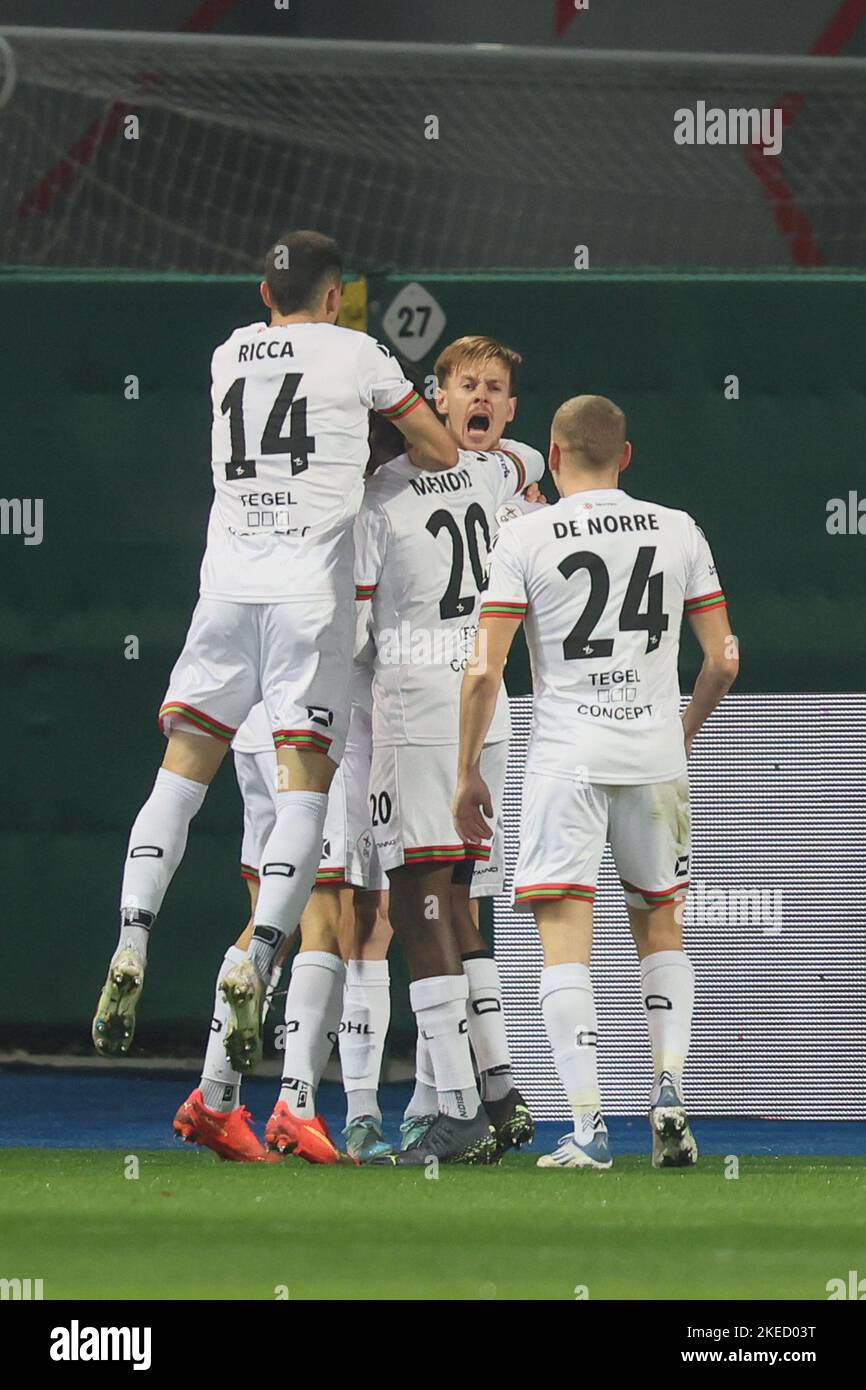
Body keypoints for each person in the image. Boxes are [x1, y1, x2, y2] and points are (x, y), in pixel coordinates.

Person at [92, 229, 457, 1067]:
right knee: (304, 795)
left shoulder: (228, 355)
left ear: (265, 294)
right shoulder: (358, 352)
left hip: (224, 590)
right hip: (308, 596)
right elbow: (436, 447)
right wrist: (371, 450)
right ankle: (258, 957)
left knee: (178, 779)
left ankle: (132, 937)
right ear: (335, 296)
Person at [454, 394, 738, 1169]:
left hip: (566, 760)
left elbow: (485, 667)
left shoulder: (524, 535)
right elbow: (723, 659)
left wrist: (465, 770)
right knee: (661, 927)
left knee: (562, 943)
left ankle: (587, 1128)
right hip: (653, 758)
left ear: (551, 454)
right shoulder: (677, 528)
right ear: (626, 456)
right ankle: (669, 1087)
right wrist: (678, 735)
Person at [355, 336, 545, 1165]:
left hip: (419, 702)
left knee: (416, 899)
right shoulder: (492, 471)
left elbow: (357, 628)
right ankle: (500, 1090)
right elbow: (523, 453)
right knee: (461, 899)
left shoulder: (374, 500)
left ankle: (459, 1110)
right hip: (486, 701)